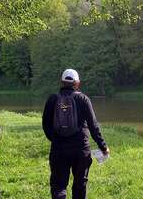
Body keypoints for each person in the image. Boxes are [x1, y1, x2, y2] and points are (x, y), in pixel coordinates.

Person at [42, 68, 110, 199]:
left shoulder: (52, 99)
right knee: (80, 185)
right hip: (81, 150)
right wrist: (103, 146)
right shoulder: (83, 99)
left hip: (58, 150)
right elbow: (93, 126)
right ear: (77, 83)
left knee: (59, 186)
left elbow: (45, 125)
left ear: (62, 82)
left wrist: (55, 139)